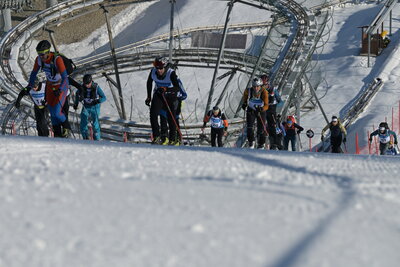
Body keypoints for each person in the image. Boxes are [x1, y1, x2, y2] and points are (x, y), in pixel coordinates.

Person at [27, 40, 71, 137]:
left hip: (61, 85)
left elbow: (65, 78)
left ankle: (66, 127)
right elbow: (33, 73)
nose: (41, 57)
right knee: (52, 112)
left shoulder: (57, 59)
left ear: (48, 52)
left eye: (43, 54)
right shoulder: (38, 60)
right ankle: (57, 134)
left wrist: (60, 89)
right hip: (50, 86)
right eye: (39, 54)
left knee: (56, 111)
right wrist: (29, 86)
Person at [145, 56, 181, 145]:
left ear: (165, 67)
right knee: (153, 114)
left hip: (170, 94)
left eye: (161, 68)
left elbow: (177, 88)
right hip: (159, 94)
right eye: (157, 68)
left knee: (170, 117)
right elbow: (149, 83)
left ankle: (173, 138)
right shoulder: (153, 71)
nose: (159, 71)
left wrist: (166, 89)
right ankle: (156, 136)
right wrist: (149, 97)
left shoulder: (171, 73)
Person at [15, 73, 49, 137]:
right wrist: (18, 102)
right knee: (38, 124)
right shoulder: (29, 88)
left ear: (38, 84)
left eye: (35, 87)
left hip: (45, 107)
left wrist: (47, 100)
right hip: (37, 107)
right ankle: (41, 137)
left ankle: (46, 135)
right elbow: (22, 93)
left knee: (43, 122)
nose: (34, 89)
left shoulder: (44, 86)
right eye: (33, 87)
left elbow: (51, 93)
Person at [73, 74, 106, 140]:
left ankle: (97, 138)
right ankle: (85, 138)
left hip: (95, 107)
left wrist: (97, 101)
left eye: (88, 84)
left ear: (91, 81)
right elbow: (77, 94)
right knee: (83, 122)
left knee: (95, 124)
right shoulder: (82, 87)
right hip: (86, 107)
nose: (87, 85)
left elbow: (104, 98)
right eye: (85, 84)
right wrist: (76, 103)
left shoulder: (96, 87)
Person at [241, 77, 269, 149]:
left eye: (257, 86)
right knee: (249, 127)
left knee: (261, 128)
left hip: (260, 111)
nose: (256, 88)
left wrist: (262, 108)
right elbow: (245, 96)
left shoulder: (264, 92)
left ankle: (261, 144)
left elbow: (266, 105)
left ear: (260, 86)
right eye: (254, 86)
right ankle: (251, 141)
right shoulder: (249, 90)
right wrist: (244, 103)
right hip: (251, 109)